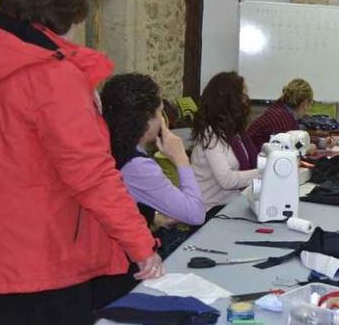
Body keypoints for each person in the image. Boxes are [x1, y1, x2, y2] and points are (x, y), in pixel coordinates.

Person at [0, 0, 162, 325]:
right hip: (48, 240)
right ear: (58, 16)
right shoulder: (52, 77)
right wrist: (141, 245)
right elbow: (91, 173)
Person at [100, 73, 205, 256]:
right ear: (147, 120)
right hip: (126, 264)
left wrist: (154, 218)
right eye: (160, 112)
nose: (162, 120)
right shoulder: (138, 166)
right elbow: (195, 214)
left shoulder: (111, 147)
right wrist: (181, 158)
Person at [191, 71, 260, 219]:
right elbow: (227, 180)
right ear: (230, 101)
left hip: (231, 205)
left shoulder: (235, 132)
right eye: (242, 96)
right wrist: (264, 172)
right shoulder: (210, 135)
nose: (246, 101)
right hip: (211, 211)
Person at [246, 77, 314, 149]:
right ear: (305, 103)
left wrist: (319, 142)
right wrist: (307, 149)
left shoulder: (279, 109)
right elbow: (290, 150)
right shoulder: (285, 121)